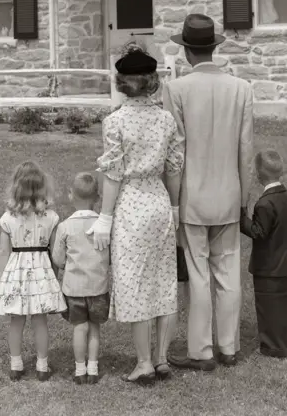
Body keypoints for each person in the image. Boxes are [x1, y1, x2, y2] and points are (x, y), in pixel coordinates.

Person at [161, 14, 254, 371]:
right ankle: (228, 347)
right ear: (214, 48)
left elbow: (175, 153)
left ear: (186, 51)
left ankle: (201, 350)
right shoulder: (241, 88)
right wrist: (244, 199)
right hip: (229, 193)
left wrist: (172, 201)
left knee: (199, 274)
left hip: (193, 196)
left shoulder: (177, 89)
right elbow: (246, 151)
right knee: (228, 273)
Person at [88, 45, 184, 385]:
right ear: (152, 82)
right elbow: (174, 167)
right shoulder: (166, 119)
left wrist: (104, 216)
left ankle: (144, 361)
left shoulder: (115, 122)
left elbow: (112, 173)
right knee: (163, 280)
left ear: (122, 83)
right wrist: (174, 206)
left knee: (135, 282)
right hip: (158, 201)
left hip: (131, 204)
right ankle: (161, 359)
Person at [0, 161, 67, 381]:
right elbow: (55, 252)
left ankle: (16, 365)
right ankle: (42, 366)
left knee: (17, 320)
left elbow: (3, 251)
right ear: (43, 187)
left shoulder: (8, 217)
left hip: (16, 273)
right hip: (42, 272)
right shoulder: (51, 217)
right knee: (40, 320)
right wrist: (54, 275)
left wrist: (4, 279)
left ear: (16, 187)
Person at [51, 172, 110, 385]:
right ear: (97, 198)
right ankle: (93, 368)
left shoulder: (65, 227)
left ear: (70, 196)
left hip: (74, 289)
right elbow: (110, 256)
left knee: (79, 327)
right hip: (98, 287)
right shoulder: (104, 226)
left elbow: (58, 258)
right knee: (94, 327)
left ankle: (79, 369)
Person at [240, 150, 287, 358]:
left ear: (258, 176)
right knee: (283, 306)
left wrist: (241, 218)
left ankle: (272, 347)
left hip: (268, 267)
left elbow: (258, 232)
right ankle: (283, 342)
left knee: (267, 307)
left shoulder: (265, 203)